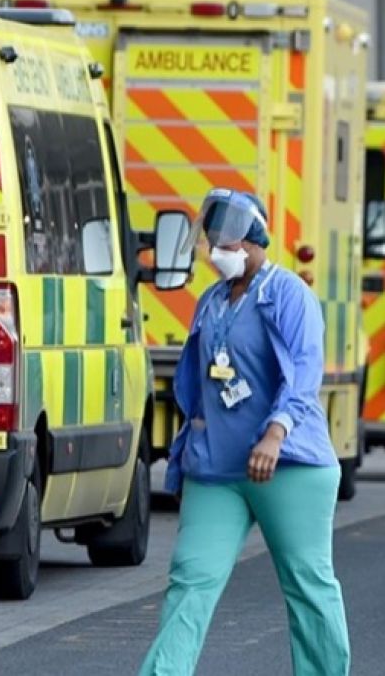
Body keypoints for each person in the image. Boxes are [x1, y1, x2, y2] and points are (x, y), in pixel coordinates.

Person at [139, 188, 350, 676]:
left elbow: (303, 374)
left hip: (288, 465)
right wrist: (188, 449)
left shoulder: (289, 294)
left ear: (254, 239)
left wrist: (275, 433)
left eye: (226, 242)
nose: (217, 251)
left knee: (306, 583)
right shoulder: (211, 301)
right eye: (212, 241)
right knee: (190, 579)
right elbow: (200, 383)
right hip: (217, 471)